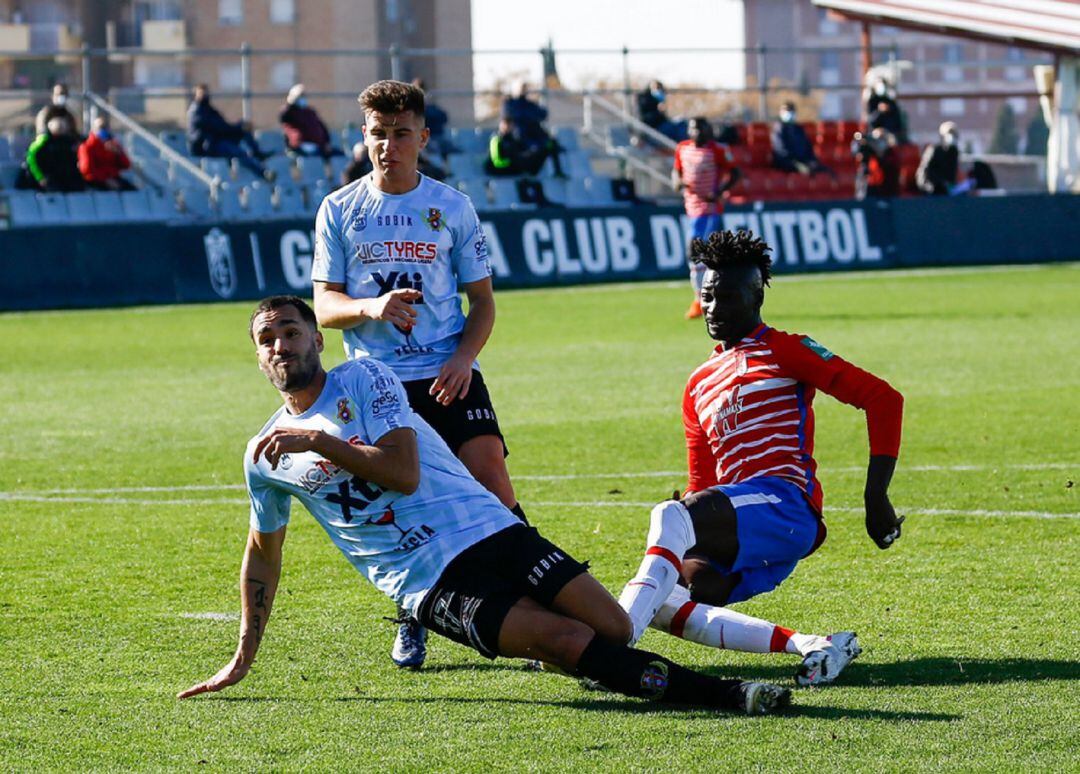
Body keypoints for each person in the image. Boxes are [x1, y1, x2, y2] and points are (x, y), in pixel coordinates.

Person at [175, 295, 792, 717]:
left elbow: (403, 473)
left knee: (611, 629)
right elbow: (261, 557)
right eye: (267, 338)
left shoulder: (366, 379)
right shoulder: (262, 455)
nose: (281, 345)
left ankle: (644, 613)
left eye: (290, 331)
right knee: (564, 638)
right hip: (427, 580)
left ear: (315, 337)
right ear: (257, 356)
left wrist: (319, 441)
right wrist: (242, 656)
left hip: (487, 528)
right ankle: (730, 695)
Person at [617, 230, 905, 687]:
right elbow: (701, 483)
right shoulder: (697, 385)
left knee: (668, 518)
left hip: (787, 506)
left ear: (756, 298)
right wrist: (686, 526)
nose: (713, 308)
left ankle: (611, 646)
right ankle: (814, 644)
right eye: (707, 297)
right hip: (741, 524)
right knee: (671, 596)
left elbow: (883, 399)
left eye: (727, 298)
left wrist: (876, 496)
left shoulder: (786, 349)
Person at [311, 80, 526, 670]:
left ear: (423, 137)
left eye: (401, 133)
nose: (389, 145)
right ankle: (414, 616)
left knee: (493, 484)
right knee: (406, 507)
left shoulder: (452, 207)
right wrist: (370, 308)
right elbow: (325, 308)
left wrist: (462, 358)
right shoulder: (340, 209)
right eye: (378, 134)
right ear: (364, 136)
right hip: (375, 383)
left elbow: (481, 302)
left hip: (446, 371)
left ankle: (538, 600)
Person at [672, 117, 740, 320]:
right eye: (693, 128)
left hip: (709, 208)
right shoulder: (683, 148)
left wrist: (720, 192)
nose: (697, 132)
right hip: (690, 207)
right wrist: (677, 182)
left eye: (701, 128)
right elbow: (676, 171)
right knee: (699, 255)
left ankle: (711, 298)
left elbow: (735, 173)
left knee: (697, 248)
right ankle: (700, 298)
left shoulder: (718, 150)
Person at [187, 83, 269, 177]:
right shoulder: (196, 111)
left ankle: (258, 154)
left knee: (244, 130)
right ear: (196, 95)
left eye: (206, 93)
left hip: (216, 140)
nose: (205, 95)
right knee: (236, 150)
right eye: (201, 93)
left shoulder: (209, 109)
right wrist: (238, 128)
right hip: (206, 145)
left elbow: (223, 126)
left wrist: (240, 127)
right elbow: (217, 128)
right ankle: (262, 173)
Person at [500, 81, 564, 176]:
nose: (523, 91)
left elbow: (543, 114)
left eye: (525, 89)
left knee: (551, 145)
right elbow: (513, 116)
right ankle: (529, 173)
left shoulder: (530, 104)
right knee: (535, 150)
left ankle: (557, 172)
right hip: (522, 137)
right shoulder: (510, 103)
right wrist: (529, 116)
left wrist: (527, 116)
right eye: (521, 88)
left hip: (535, 135)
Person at [279, 83, 342, 158]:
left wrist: (326, 142)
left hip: (318, 146)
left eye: (303, 96)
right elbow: (283, 116)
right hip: (302, 147)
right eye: (300, 96)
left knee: (339, 155)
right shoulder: (290, 112)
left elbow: (323, 127)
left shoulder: (310, 112)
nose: (303, 98)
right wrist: (292, 99)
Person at [26, 116, 85, 193]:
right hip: (49, 178)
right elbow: (31, 160)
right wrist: (40, 178)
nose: (61, 129)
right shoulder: (43, 142)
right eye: (59, 127)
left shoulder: (69, 142)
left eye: (62, 127)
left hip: (66, 178)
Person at [771, 102, 831, 177]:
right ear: (781, 113)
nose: (789, 113)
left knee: (822, 170)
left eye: (791, 111)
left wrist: (811, 159)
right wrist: (796, 161)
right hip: (786, 161)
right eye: (787, 111)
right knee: (806, 170)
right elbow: (781, 150)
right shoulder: (779, 128)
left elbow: (807, 146)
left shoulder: (798, 128)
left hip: (801, 160)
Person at [77, 115, 136, 191]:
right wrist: (105, 180)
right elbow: (87, 170)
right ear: (93, 129)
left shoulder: (113, 145)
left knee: (132, 190)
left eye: (105, 127)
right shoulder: (86, 147)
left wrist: (119, 153)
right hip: (95, 181)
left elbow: (126, 165)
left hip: (113, 178)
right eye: (100, 127)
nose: (104, 130)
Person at [412, 78, 454, 159]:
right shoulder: (411, 112)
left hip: (437, 138)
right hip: (423, 142)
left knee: (451, 149)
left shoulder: (433, 110)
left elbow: (444, 117)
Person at [916, 122, 961, 196]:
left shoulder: (954, 152)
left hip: (946, 191)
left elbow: (951, 175)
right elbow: (924, 172)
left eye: (954, 134)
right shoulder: (933, 150)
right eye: (949, 133)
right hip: (931, 189)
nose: (952, 136)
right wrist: (929, 187)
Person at [866, 78, 905, 143]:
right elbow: (870, 120)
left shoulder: (891, 102)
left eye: (883, 84)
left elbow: (897, 122)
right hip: (876, 134)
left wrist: (887, 131)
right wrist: (879, 111)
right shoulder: (872, 102)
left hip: (890, 134)